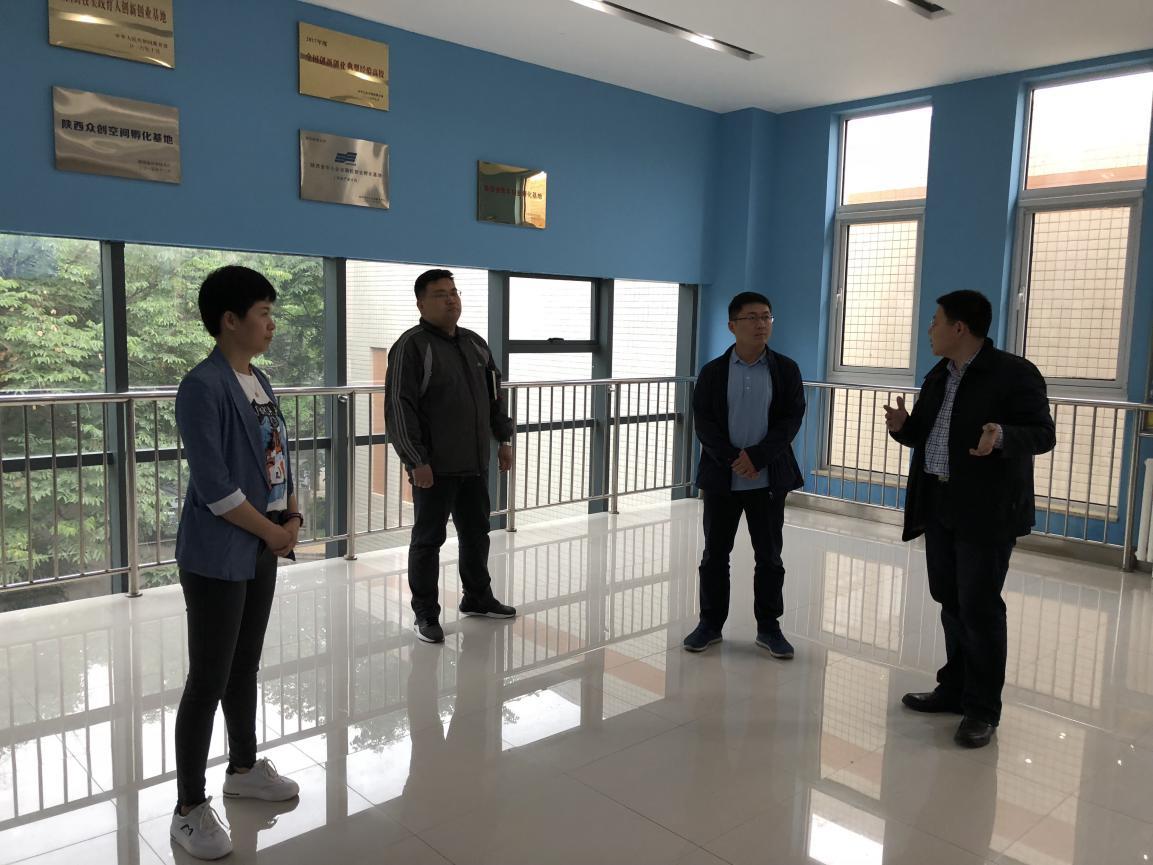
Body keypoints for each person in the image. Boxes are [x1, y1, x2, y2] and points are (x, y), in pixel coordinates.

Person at [884, 290, 1055, 748]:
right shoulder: (939, 374)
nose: (929, 330)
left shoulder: (1014, 373)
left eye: (935, 321)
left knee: (979, 608)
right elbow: (925, 435)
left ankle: (982, 709)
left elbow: (1043, 434)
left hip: (987, 510)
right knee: (950, 599)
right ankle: (954, 689)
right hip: (939, 504)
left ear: (959, 327)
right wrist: (903, 427)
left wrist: (1003, 436)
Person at [170, 266, 302, 859]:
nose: (271, 324)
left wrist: (291, 514)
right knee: (208, 678)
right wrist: (272, 533)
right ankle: (188, 808)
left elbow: (278, 457)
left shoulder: (258, 379)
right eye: (263, 313)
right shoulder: (202, 386)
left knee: (244, 665)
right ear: (229, 320)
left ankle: (243, 769)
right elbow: (215, 487)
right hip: (219, 552)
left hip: (261, 543)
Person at [385, 268, 517, 644]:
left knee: (477, 534)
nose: (450, 300)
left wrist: (504, 439)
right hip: (434, 467)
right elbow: (399, 408)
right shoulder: (411, 346)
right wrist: (416, 460)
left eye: (454, 292)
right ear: (421, 304)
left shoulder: (475, 344)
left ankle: (477, 597)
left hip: (474, 463)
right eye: (440, 294)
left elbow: (495, 396)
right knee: (428, 540)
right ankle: (425, 614)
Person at [683, 292, 806, 657]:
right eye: (751, 317)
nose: (761, 324)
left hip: (767, 480)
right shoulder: (713, 372)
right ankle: (709, 625)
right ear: (732, 325)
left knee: (769, 557)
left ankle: (769, 628)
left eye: (766, 317)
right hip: (723, 480)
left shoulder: (785, 369)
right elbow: (704, 423)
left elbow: (790, 420)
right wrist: (733, 459)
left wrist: (757, 457)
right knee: (714, 555)